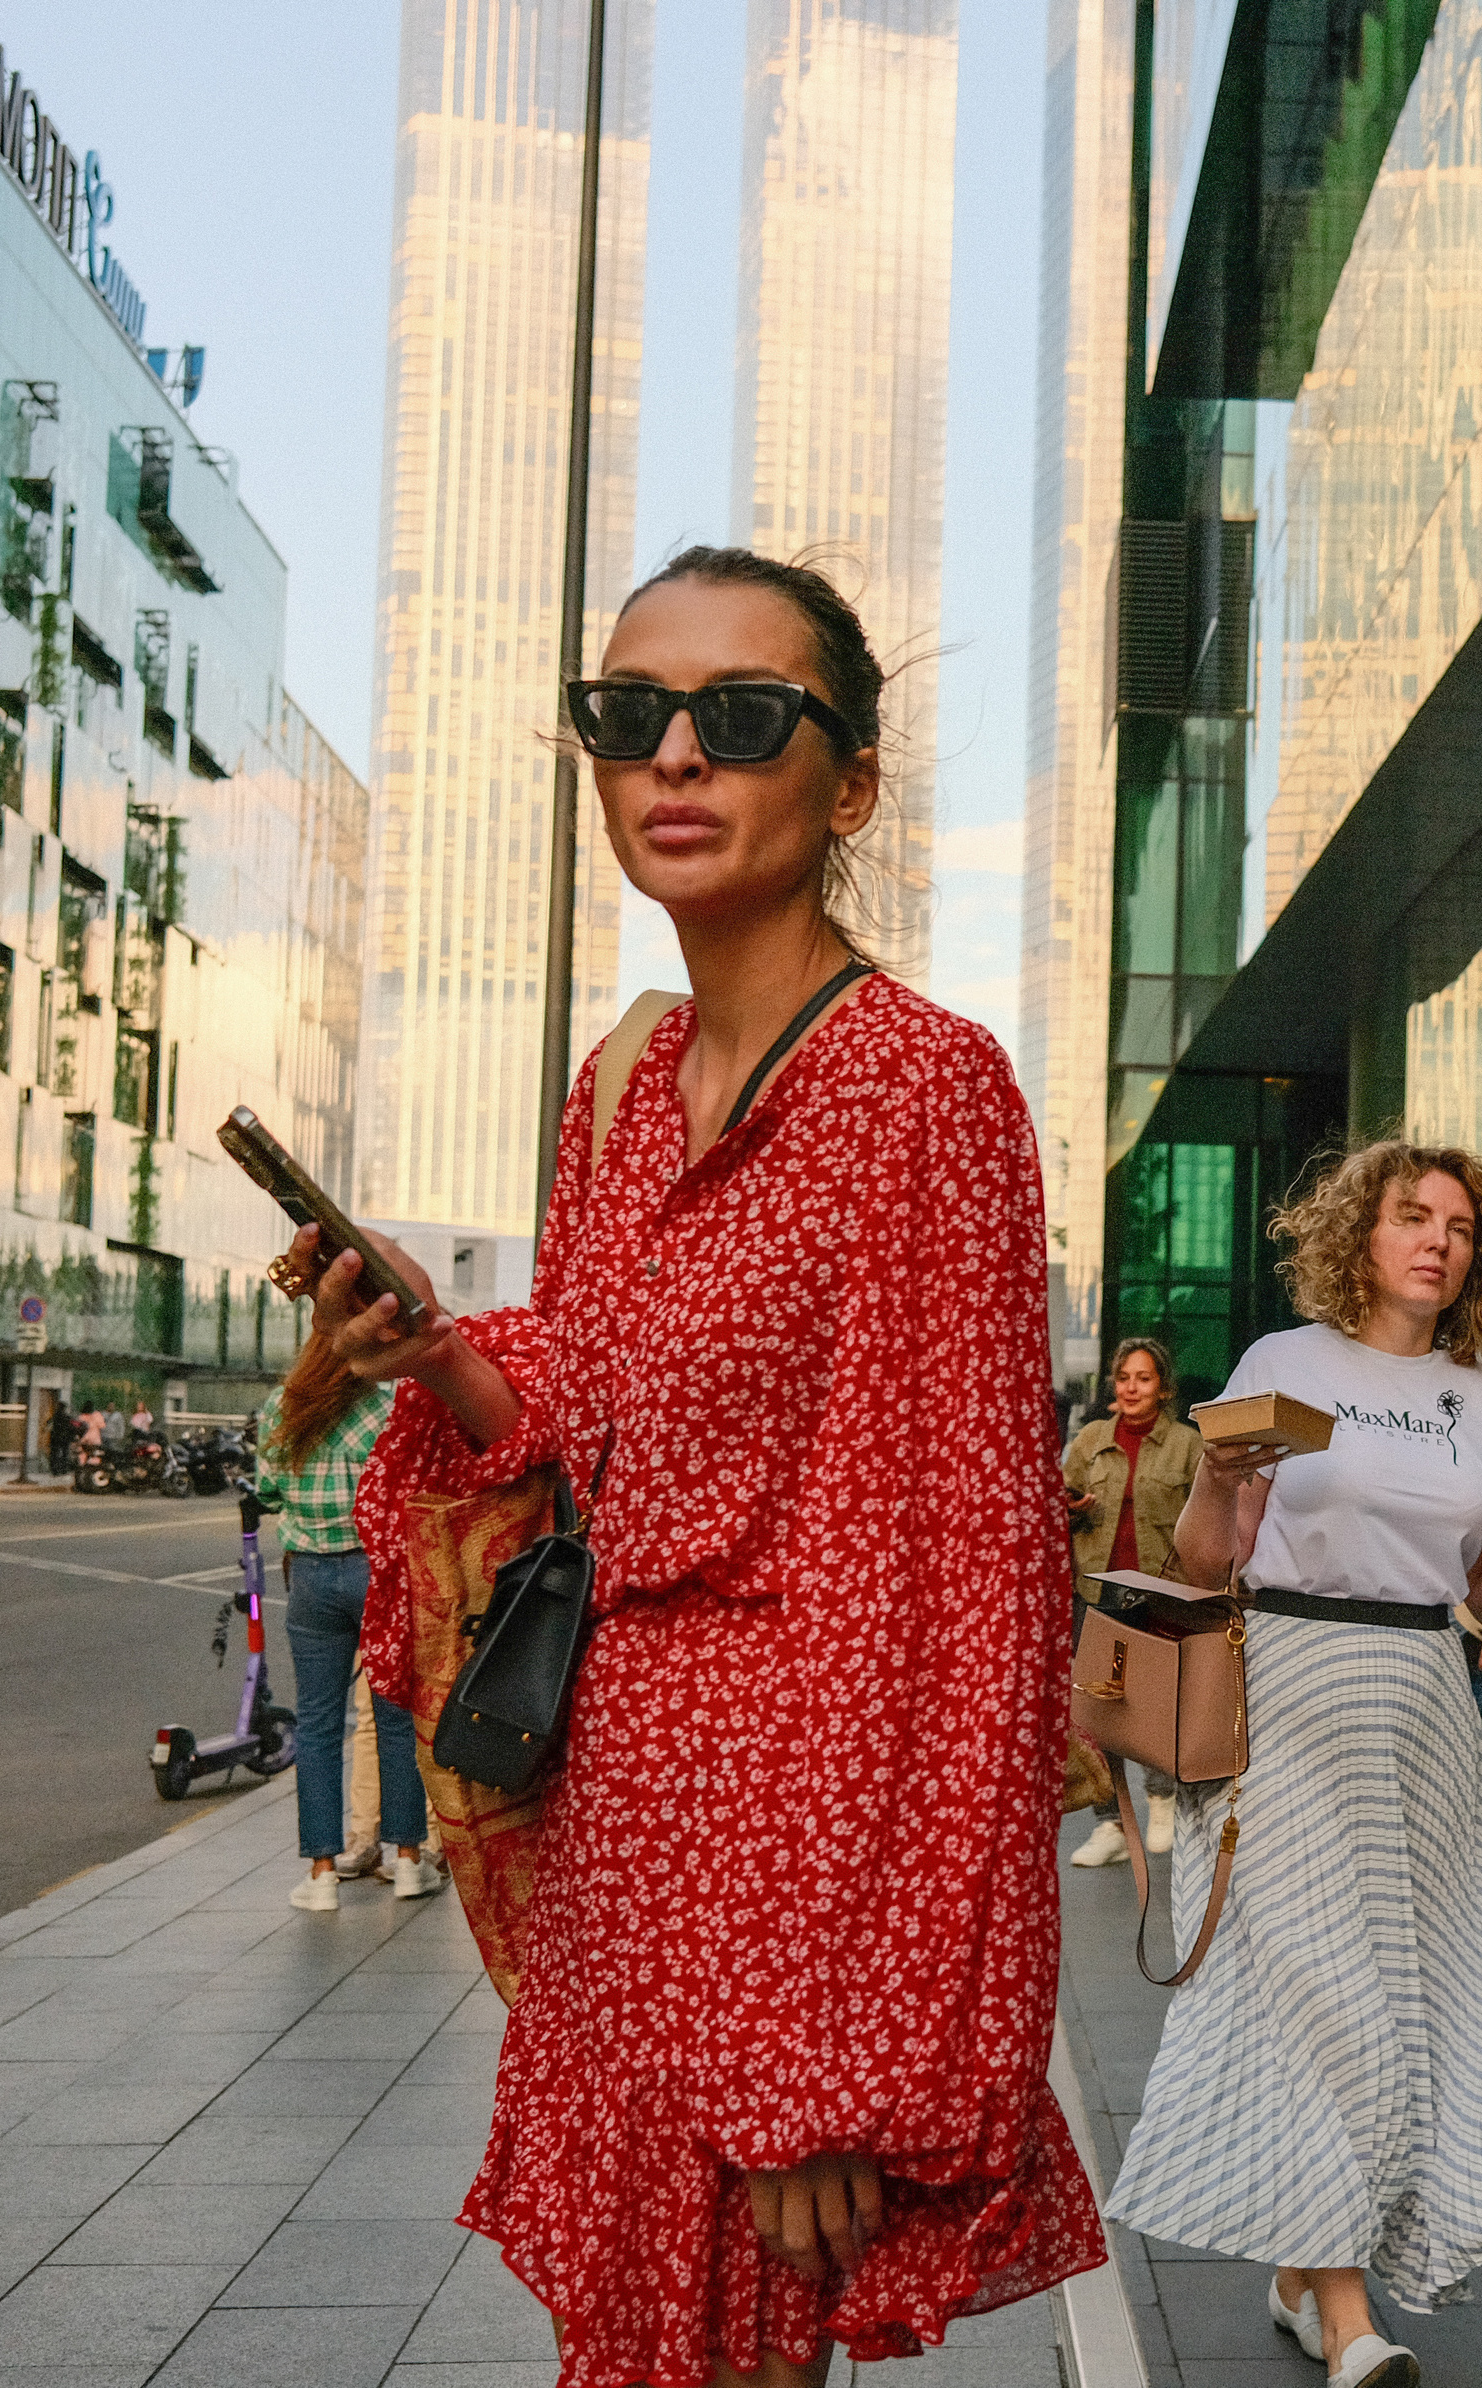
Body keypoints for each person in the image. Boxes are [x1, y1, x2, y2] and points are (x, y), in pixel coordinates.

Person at [329, 548, 1100, 2387]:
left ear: (849, 782)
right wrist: (440, 1350)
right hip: (624, 1834)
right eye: (627, 715)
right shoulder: (618, 1078)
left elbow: (969, 1596)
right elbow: (583, 1455)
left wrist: (851, 2041)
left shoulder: (926, 1088)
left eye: (741, 717)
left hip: (796, 1880)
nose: (674, 756)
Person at [1107, 1141, 1482, 2388]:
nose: (1437, 1240)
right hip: (1292, 1688)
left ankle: (1304, 2274)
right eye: (1411, 1216)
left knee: (1408, 1999)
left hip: (1420, 1705)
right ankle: (1353, 2319)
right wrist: (1212, 1473)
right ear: (1359, 1234)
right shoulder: (1285, 1365)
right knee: (1325, 2001)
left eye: (1460, 1227)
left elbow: (1480, 1591)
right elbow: (1213, 1561)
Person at [253, 1339, 440, 1912]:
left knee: (316, 1723)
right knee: (394, 1717)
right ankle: (408, 1861)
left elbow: (267, 1490)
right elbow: (411, 1488)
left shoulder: (282, 1407)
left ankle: (322, 1873)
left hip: (309, 1577)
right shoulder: (385, 1408)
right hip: (377, 1571)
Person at [1063, 1335, 1202, 1866]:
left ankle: (1162, 1804)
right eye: (1124, 1378)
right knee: (1100, 1706)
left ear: (1162, 1389)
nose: (1131, 1388)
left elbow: (1209, 1518)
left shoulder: (1188, 1445)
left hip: (1159, 1591)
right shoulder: (1092, 1438)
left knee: (1152, 1704)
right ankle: (1112, 1826)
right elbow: (1059, 1499)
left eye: (1143, 1379)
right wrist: (1074, 1506)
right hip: (1096, 1592)